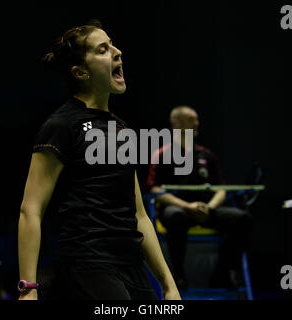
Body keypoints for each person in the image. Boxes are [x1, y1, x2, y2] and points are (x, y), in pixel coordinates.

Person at [17, 20, 180, 300]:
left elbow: (139, 215)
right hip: (87, 263)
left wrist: (168, 284)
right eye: (103, 50)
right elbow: (31, 210)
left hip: (131, 265)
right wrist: (28, 289)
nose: (117, 52)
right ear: (81, 72)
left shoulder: (123, 131)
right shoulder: (61, 125)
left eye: (113, 45)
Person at [146, 106, 253, 289]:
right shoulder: (162, 154)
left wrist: (210, 207)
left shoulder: (207, 155)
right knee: (176, 216)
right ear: (176, 123)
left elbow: (221, 189)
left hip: (206, 210)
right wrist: (188, 207)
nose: (197, 123)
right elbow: (155, 190)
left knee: (242, 219)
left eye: (196, 119)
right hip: (178, 211)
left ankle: (222, 275)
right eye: (191, 119)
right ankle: (178, 277)